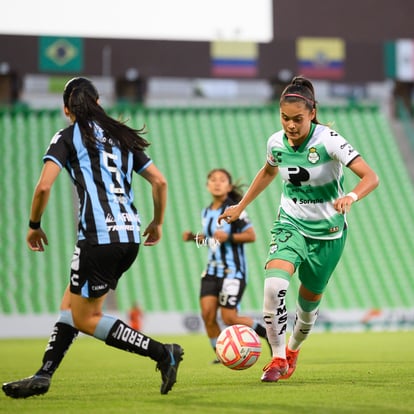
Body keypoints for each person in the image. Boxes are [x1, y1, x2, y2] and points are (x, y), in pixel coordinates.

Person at [2, 77, 183, 398]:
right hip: (129, 236)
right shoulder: (123, 138)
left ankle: (162, 352)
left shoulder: (67, 137)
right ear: (99, 103)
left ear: (66, 110)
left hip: (99, 237)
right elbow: (160, 182)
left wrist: (34, 224)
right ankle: (43, 375)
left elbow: (43, 186)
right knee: (69, 305)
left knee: (86, 318)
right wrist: (157, 222)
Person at [218, 76, 379, 382]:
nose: (290, 126)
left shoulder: (329, 139)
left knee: (307, 306)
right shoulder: (276, 142)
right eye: (285, 118)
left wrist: (351, 196)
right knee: (274, 286)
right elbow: (267, 171)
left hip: (328, 235)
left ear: (312, 114)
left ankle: (293, 349)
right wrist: (240, 207)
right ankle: (277, 358)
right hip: (290, 225)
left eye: (297, 120)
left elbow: (371, 176)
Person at [182, 168, 269, 363]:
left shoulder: (234, 209)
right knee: (207, 315)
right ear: (207, 185)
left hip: (232, 272)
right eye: (213, 179)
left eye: (222, 180)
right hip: (211, 271)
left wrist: (228, 236)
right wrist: (193, 238)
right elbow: (214, 240)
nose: (217, 183)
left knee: (229, 318)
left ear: (229, 186)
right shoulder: (206, 212)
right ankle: (221, 355)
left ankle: (269, 334)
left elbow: (251, 235)